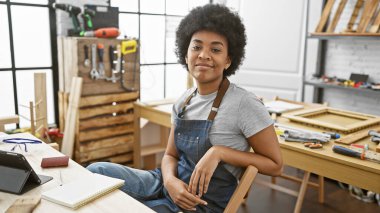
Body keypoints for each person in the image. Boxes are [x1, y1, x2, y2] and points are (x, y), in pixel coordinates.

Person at [87, 4, 282, 213]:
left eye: (215, 50)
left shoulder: (244, 103)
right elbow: (170, 155)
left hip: (198, 203)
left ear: (228, 60)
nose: (204, 55)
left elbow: (275, 165)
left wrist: (219, 152)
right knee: (95, 171)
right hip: (167, 183)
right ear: (185, 53)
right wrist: (170, 181)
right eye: (196, 47)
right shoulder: (184, 100)